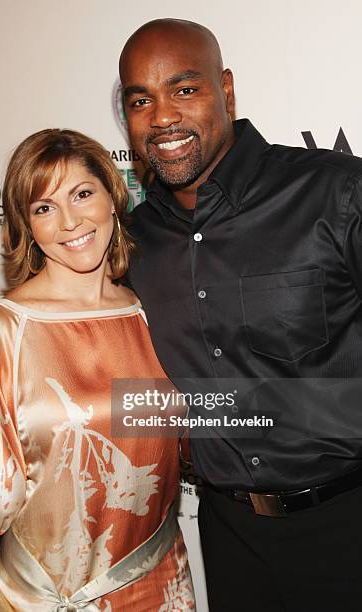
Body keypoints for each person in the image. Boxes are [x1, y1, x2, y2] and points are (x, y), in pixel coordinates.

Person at [119, 18, 362, 612]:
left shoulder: (335, 195)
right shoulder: (129, 242)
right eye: (140, 100)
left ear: (226, 91)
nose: (163, 118)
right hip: (227, 537)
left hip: (347, 527)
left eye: (184, 89)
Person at [0, 129, 195, 611]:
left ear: (113, 197)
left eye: (82, 194)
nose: (71, 221)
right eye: (44, 208)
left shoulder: (150, 311)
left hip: (161, 588)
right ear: (27, 226)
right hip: (38, 600)